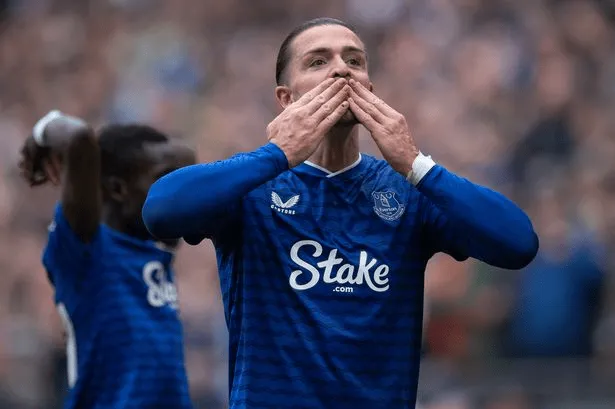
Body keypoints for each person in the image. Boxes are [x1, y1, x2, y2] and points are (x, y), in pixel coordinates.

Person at [142, 17, 539, 409]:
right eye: (318, 61)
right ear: (286, 99)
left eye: (354, 60)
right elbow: (160, 211)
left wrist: (416, 164)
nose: (341, 70)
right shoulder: (252, 187)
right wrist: (276, 154)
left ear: (369, 87)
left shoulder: (408, 192)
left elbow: (518, 243)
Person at [19, 111, 196, 409]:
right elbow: (79, 138)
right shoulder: (86, 249)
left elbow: (187, 156)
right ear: (117, 189)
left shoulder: (157, 247)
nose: (173, 192)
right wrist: (42, 131)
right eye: (161, 178)